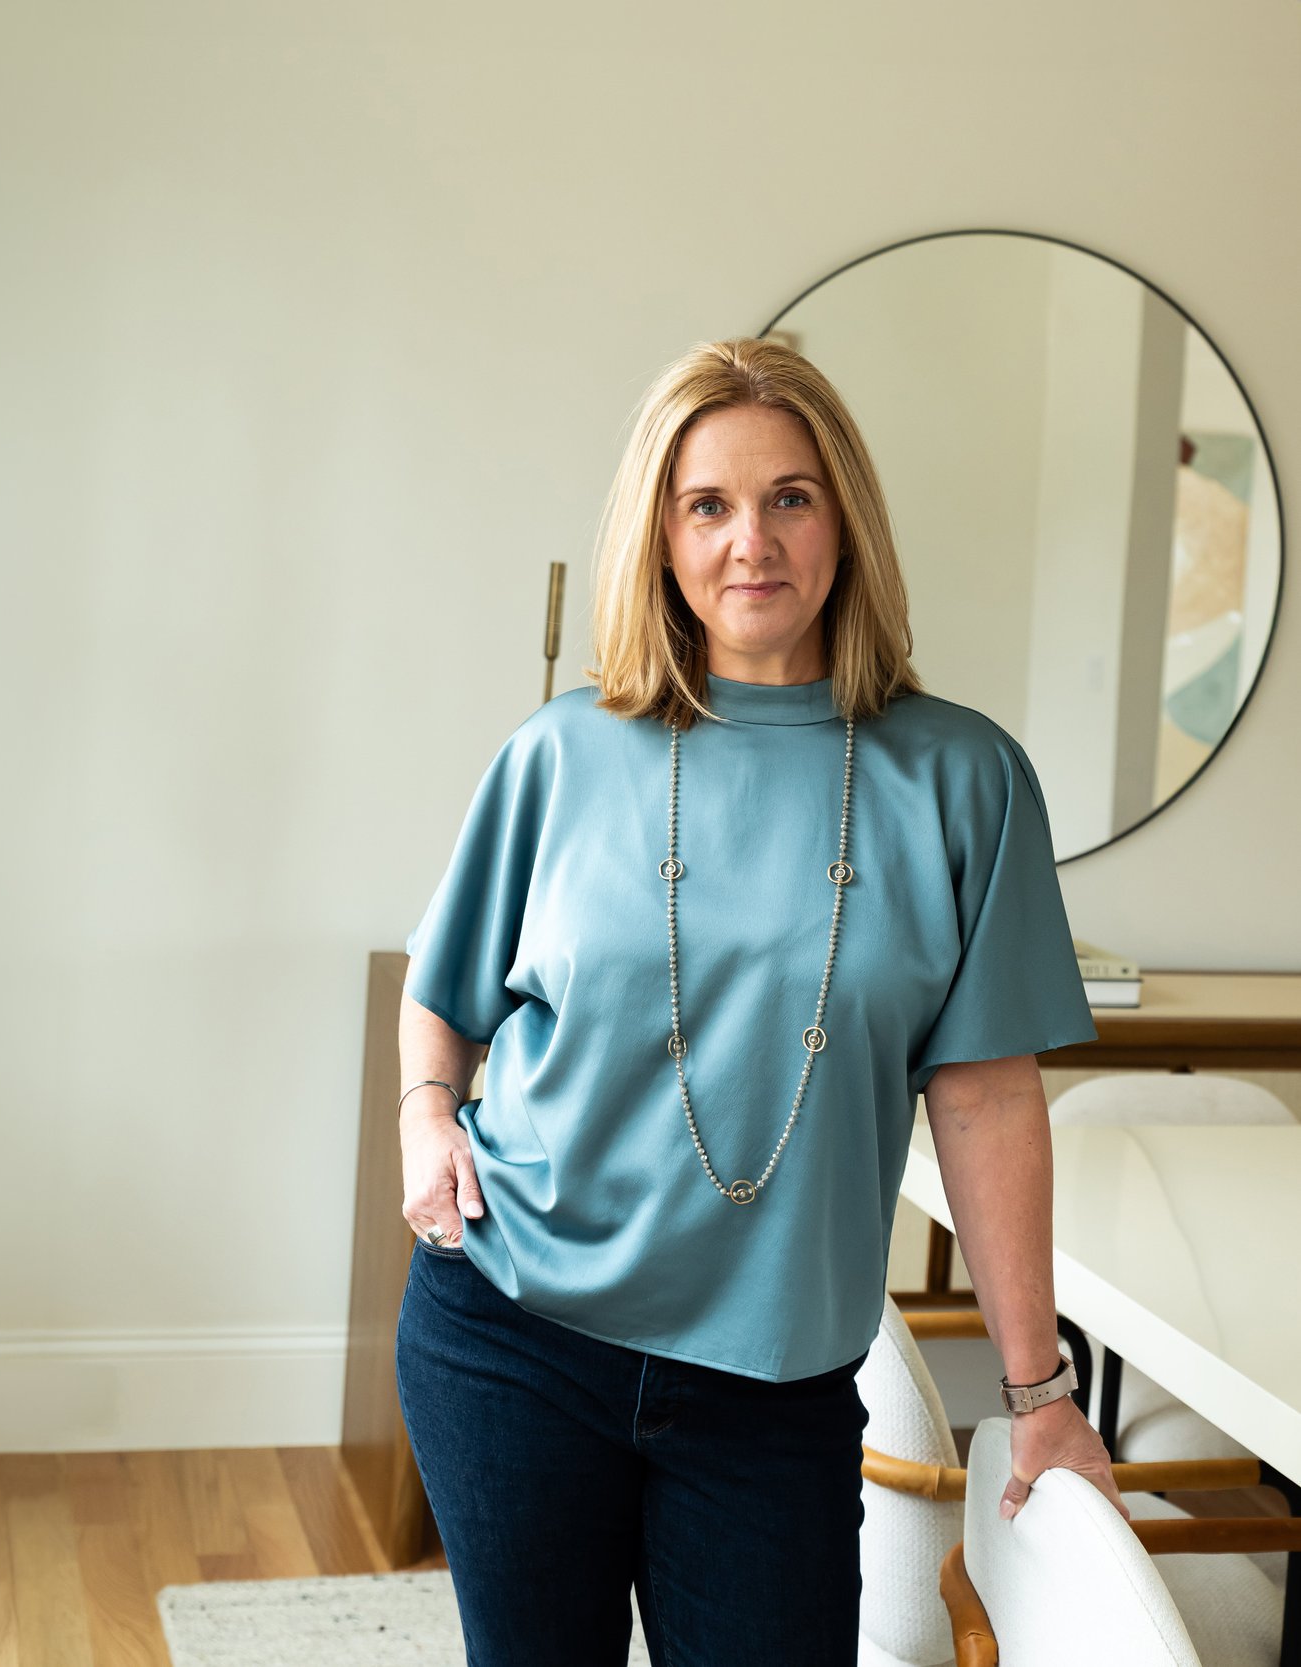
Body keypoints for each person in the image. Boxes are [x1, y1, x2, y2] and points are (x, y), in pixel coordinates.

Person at [392, 337, 1125, 1665]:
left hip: (771, 1389)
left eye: (790, 496)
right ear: (661, 538)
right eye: (708, 505)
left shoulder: (964, 780)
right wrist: (426, 1119)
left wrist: (1039, 1394)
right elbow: (439, 998)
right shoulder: (562, 754)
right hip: (511, 1337)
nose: (752, 542)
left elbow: (988, 1097)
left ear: (844, 518)